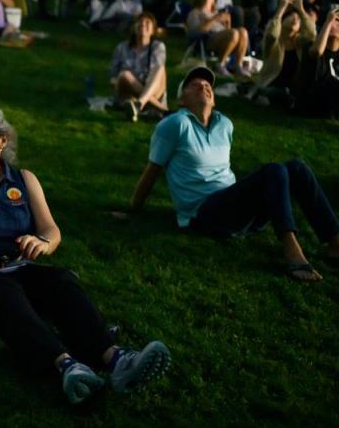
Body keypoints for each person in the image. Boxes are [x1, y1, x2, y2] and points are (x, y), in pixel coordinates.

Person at [0, 102, 171, 405]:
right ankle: (65, 365)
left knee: (61, 281)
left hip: (16, 269)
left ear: (3, 139)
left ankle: (116, 360)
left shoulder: (24, 179)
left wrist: (42, 243)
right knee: (2, 289)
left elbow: (51, 230)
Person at [129, 67, 339, 282]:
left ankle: (335, 242)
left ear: (214, 99)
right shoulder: (174, 125)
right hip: (203, 214)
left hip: (234, 209)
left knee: (296, 167)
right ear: (181, 100)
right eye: (194, 85)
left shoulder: (225, 125)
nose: (203, 86)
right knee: (273, 170)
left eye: (208, 85)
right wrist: (132, 210)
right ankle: (292, 251)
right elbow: (152, 170)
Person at [247, 0, 316, 105]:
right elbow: (272, 34)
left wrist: (301, 10)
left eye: (298, 19)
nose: (295, 19)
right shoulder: (273, 43)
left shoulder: (299, 43)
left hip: (293, 88)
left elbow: (312, 34)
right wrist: (281, 9)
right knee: (272, 94)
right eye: (291, 16)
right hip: (270, 84)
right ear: (282, 21)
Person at [109, 12, 168, 119]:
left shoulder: (158, 47)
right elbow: (112, 76)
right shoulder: (121, 48)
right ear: (134, 27)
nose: (143, 24)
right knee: (124, 75)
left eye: (147, 22)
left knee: (160, 68)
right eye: (139, 22)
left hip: (153, 90)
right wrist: (120, 80)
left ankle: (138, 104)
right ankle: (159, 109)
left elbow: (157, 77)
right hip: (128, 92)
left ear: (153, 30)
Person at [186, 0, 250, 77]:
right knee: (234, 33)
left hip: (224, 38)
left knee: (243, 31)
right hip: (207, 39)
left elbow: (229, 32)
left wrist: (227, 22)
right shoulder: (195, 12)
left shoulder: (216, 13)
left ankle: (238, 65)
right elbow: (196, 31)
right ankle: (220, 64)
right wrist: (215, 19)